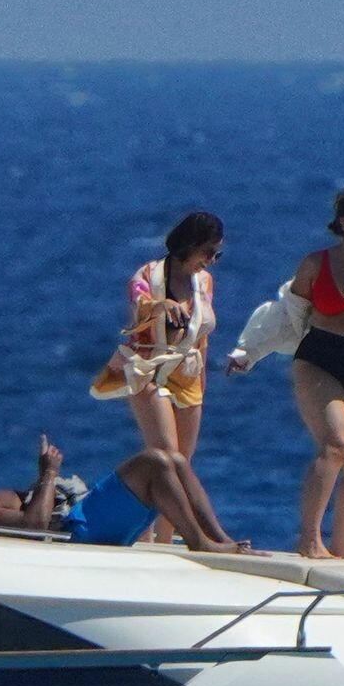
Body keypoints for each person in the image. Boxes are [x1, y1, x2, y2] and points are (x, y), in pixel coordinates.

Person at [230, 186, 344, 559]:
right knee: (335, 444)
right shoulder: (316, 264)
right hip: (318, 357)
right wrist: (250, 352)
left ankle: (341, 551)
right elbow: (287, 318)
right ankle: (309, 539)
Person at [90, 211, 225, 544]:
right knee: (165, 456)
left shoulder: (204, 282)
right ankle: (147, 536)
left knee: (183, 464)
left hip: (188, 375)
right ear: (189, 245)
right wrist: (160, 306)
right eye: (208, 252)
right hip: (148, 370)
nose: (210, 260)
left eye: (216, 254)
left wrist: (203, 382)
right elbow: (138, 309)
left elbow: (201, 337)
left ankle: (167, 538)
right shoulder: (148, 275)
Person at [0, 436, 251, 553]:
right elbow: (34, 526)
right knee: (153, 462)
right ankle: (200, 543)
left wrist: (43, 480)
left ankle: (218, 538)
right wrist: (49, 474)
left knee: (174, 461)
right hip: (78, 531)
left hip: (83, 519)